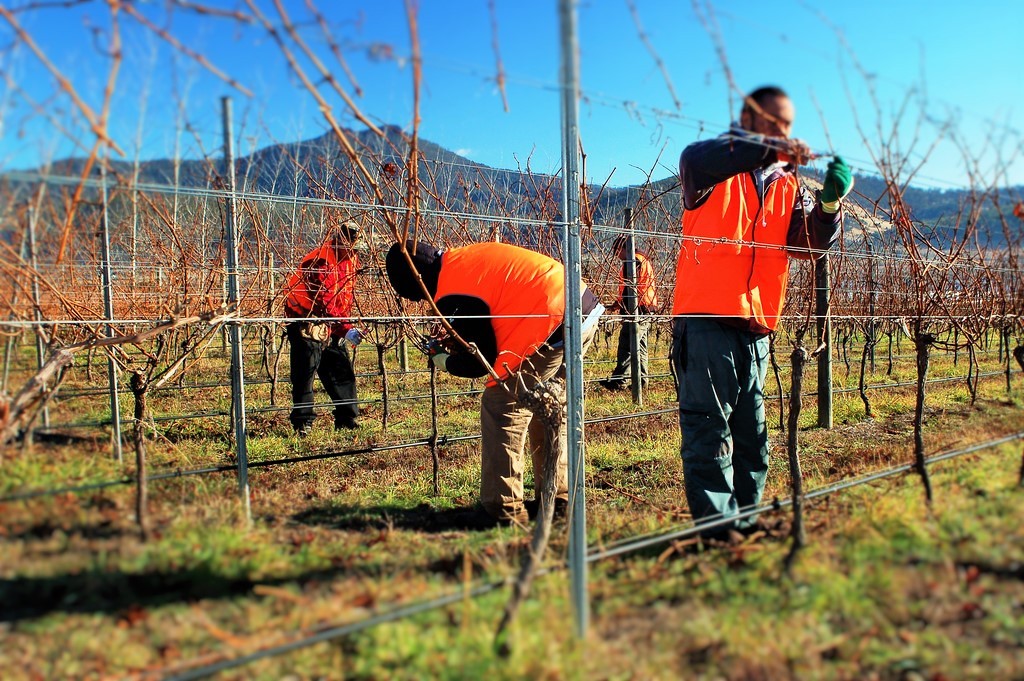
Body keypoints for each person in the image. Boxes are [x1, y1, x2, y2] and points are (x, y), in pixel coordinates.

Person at [670, 85, 852, 538]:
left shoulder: (789, 184)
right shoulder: (709, 164)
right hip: (707, 318)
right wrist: (766, 149)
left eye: (787, 126)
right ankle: (718, 532)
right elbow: (700, 158)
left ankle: (745, 522)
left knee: (754, 437)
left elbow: (805, 247)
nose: (782, 133)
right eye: (772, 123)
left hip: (758, 327)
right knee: (709, 436)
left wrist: (829, 206)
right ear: (748, 119)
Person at [385, 240, 604, 525]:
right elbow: (497, 312)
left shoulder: (452, 292)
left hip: (552, 320)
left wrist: (444, 359)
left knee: (502, 406)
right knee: (548, 409)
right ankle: (559, 501)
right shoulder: (461, 259)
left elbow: (482, 358)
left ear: (417, 283)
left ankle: (503, 511)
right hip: (581, 305)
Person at [283, 220, 365, 436]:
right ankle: (303, 424)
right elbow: (324, 301)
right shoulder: (320, 261)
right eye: (352, 247)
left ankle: (347, 419)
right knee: (305, 374)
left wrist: (344, 326)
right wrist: (345, 329)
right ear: (339, 242)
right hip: (306, 320)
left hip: (331, 322)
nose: (355, 252)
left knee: (341, 371)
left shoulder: (350, 260)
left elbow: (342, 299)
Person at [599, 235, 660, 391]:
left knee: (627, 345)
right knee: (640, 345)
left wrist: (623, 309)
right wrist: (617, 304)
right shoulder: (642, 259)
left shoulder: (633, 262)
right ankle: (642, 382)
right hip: (647, 307)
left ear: (624, 249)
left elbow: (630, 289)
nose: (616, 255)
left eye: (616, 251)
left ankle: (619, 382)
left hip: (637, 309)